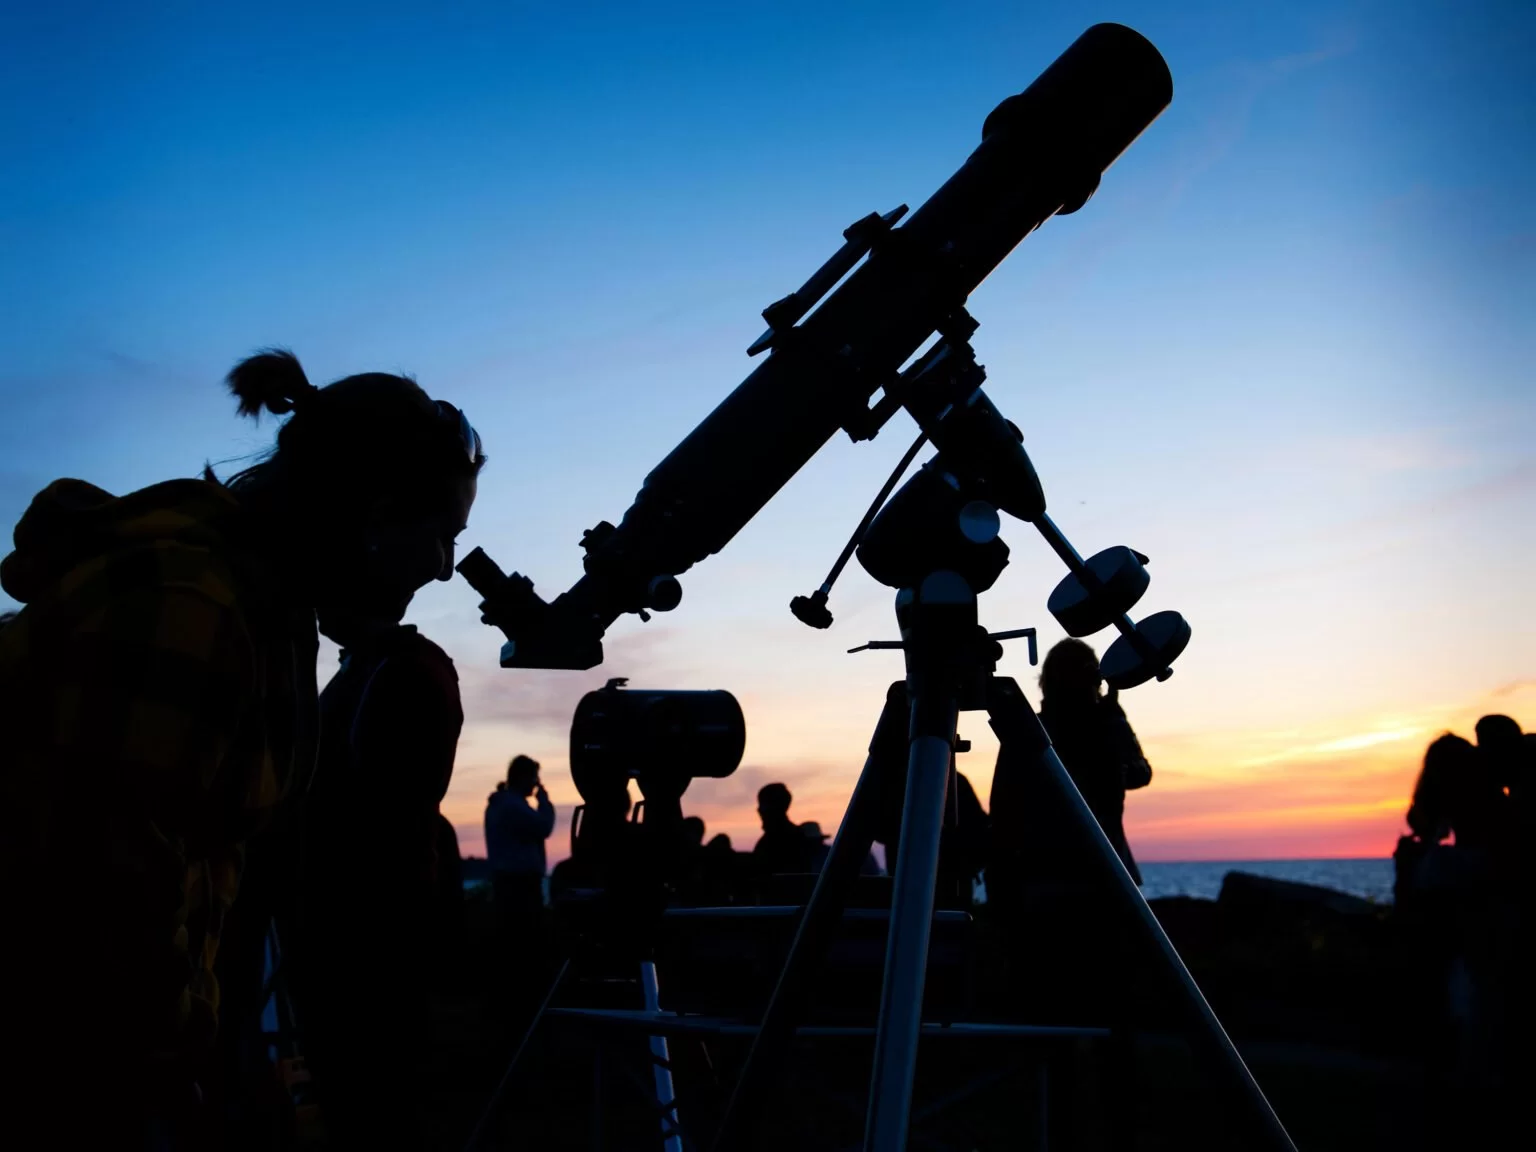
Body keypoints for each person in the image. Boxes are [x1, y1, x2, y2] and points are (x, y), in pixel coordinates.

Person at [0, 348, 484, 1143]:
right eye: (441, 537)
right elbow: (103, 934)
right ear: (376, 516)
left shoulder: (247, 606)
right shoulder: (191, 608)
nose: (444, 569)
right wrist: (209, 1083)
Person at [284, 619, 465, 1150]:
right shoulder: (376, 667)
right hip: (350, 924)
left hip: (362, 930)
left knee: (372, 1099)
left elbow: (380, 808)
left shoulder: (402, 669)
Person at [1035, 638, 1151, 884]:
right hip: (1093, 871)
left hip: (1050, 874)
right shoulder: (1104, 726)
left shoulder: (1033, 728)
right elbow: (1140, 773)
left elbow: (1139, 773)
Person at [485, 755, 556, 928]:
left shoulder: (505, 804)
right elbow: (543, 827)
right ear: (522, 777)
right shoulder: (512, 806)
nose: (536, 782)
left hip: (509, 883)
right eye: (534, 777)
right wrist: (544, 803)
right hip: (519, 886)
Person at [754, 782, 815, 877]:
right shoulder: (793, 835)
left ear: (774, 807)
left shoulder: (784, 838)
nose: (759, 809)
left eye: (763, 804)